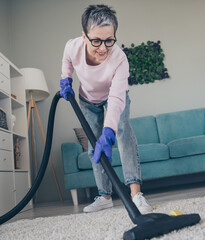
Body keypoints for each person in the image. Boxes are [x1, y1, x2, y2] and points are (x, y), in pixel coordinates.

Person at [60, 4, 153, 214]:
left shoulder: (119, 58)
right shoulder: (72, 46)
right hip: (86, 100)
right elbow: (67, 61)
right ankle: (104, 196)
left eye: (109, 40)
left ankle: (136, 194)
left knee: (123, 133)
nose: (103, 48)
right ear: (84, 36)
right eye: (96, 41)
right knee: (95, 145)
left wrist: (109, 130)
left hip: (114, 98)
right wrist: (65, 78)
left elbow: (117, 98)